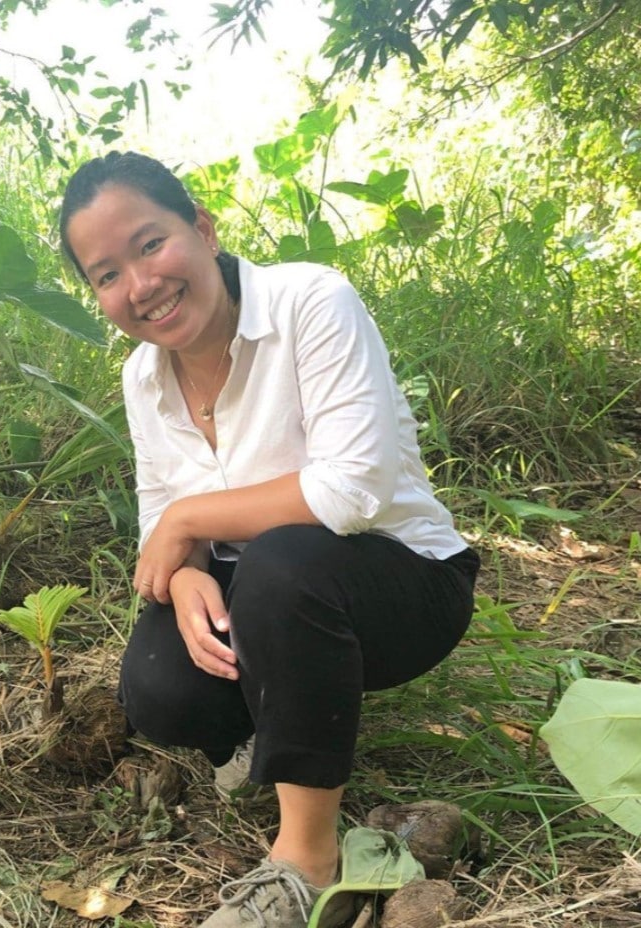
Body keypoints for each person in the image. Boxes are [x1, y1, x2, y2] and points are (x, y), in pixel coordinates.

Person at [59, 151, 479, 928]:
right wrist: (183, 576)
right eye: (107, 274)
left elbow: (348, 491)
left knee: (285, 564)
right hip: (263, 592)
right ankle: (287, 726)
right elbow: (162, 515)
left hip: (398, 584)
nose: (140, 285)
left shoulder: (311, 301)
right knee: (157, 685)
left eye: (151, 244)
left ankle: (306, 859)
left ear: (204, 228)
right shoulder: (142, 377)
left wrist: (188, 523)